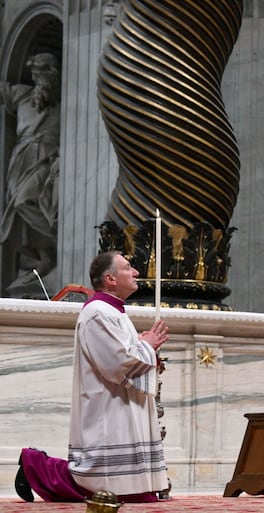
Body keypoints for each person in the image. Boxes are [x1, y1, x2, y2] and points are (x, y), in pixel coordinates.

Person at [15, 251, 170, 502]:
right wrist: (147, 347)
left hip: (121, 401)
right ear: (110, 279)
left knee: (119, 488)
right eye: (128, 267)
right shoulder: (98, 312)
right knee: (94, 484)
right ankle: (34, 465)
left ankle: (34, 463)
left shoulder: (114, 311)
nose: (135, 272)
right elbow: (117, 363)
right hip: (108, 403)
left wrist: (145, 351)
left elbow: (123, 354)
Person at [0, 53, 61, 297]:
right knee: (18, 202)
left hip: (46, 157)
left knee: (25, 200)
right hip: (22, 156)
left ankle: (52, 244)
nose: (37, 79)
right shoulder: (23, 95)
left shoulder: (62, 101)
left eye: (41, 74)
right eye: (35, 75)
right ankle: (42, 254)